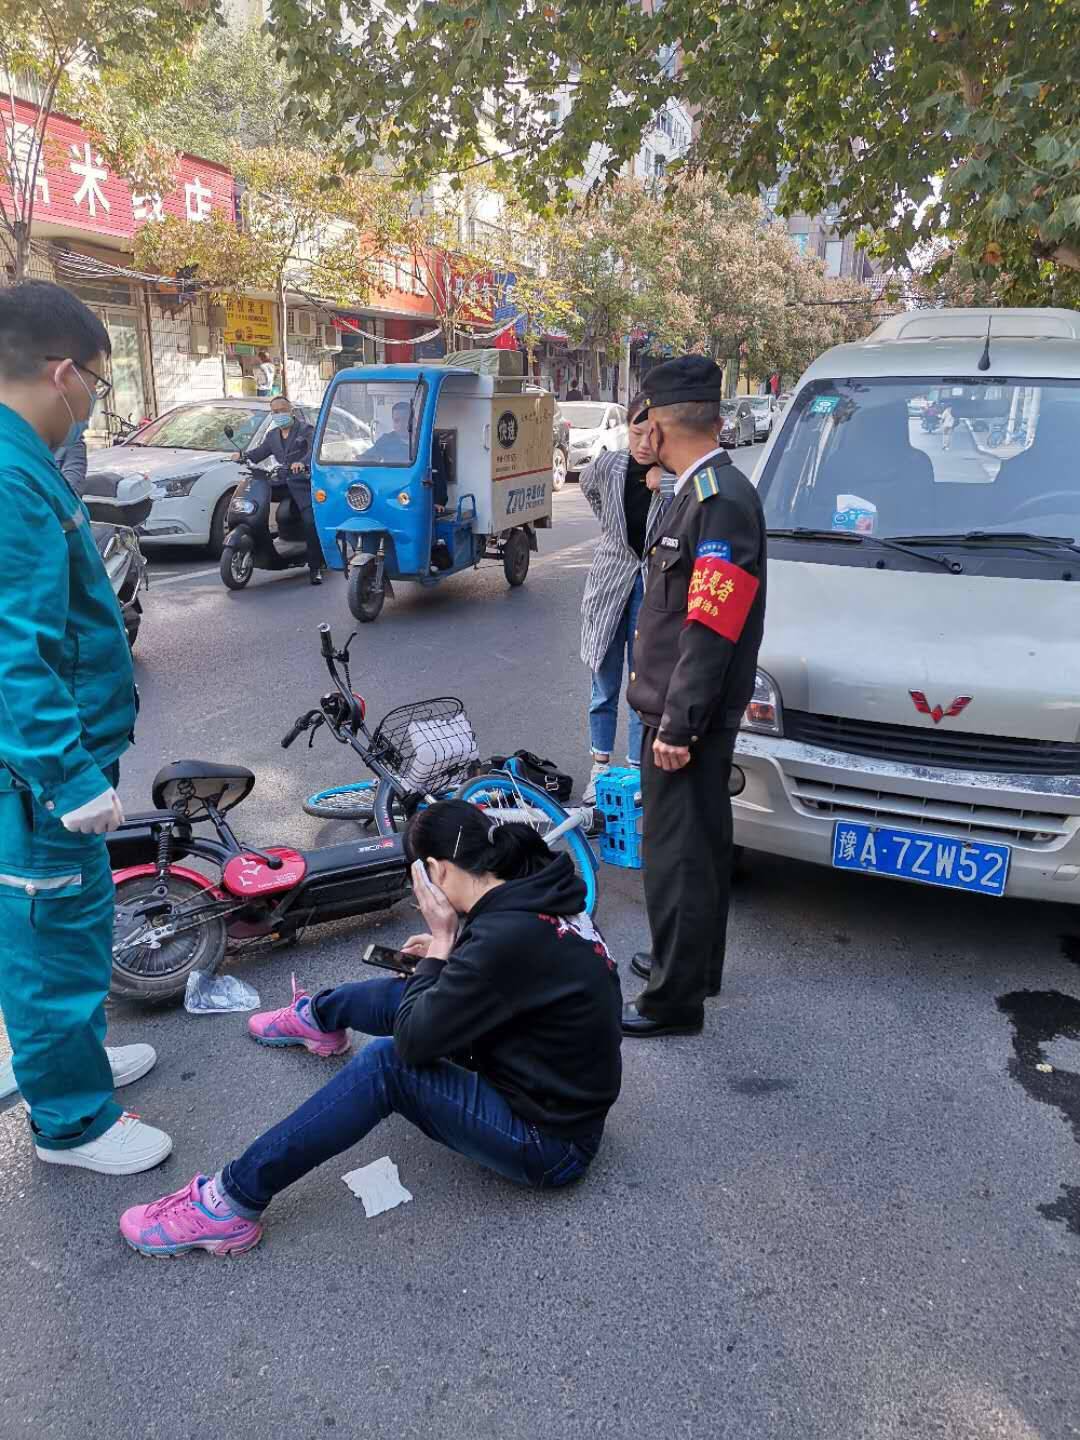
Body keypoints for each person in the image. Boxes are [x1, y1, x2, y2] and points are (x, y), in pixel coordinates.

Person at [118, 799, 623, 1256]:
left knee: (388, 1064)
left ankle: (228, 1203)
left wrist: (447, 946)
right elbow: (505, 967)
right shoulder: (534, 888)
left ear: (435, 872)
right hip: (538, 1075)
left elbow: (415, 1041)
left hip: (550, 1143)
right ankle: (319, 1018)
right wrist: (449, 953)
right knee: (419, 987)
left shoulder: (505, 937)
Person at [0, 281, 170, 1174]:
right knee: (48, 937)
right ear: (62, 372)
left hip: (62, 759)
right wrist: (65, 776)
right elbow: (12, 652)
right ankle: (70, 1122)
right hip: (36, 777)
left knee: (78, 918)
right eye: (98, 388)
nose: (92, 407)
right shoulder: (10, 473)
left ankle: (77, 1064)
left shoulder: (21, 458)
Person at [622, 356, 767, 1038]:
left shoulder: (721, 500)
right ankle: (689, 967)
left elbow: (710, 626)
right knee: (700, 847)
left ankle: (672, 1001)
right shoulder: (695, 489)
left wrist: (677, 725)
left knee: (678, 856)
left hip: (685, 716)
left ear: (657, 420)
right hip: (682, 709)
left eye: (642, 419)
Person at [579, 394, 673, 801]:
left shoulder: (674, 477)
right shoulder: (608, 465)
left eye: (652, 435)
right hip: (609, 580)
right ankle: (599, 768)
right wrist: (615, 540)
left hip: (650, 585)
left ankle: (636, 773)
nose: (643, 444)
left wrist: (664, 482)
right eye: (637, 432)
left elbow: (696, 498)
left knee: (642, 683)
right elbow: (589, 490)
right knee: (604, 679)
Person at [236, 396, 322, 583]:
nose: (278, 414)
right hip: (281, 482)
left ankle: (316, 566)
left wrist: (302, 463)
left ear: (291, 411)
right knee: (257, 502)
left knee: (309, 522)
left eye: (282, 410)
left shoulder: (306, 430)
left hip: (302, 484)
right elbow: (259, 453)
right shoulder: (272, 435)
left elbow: (313, 451)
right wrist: (243, 455)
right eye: (274, 412)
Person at [364, 399, 414, 464]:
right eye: (396, 421)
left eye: (405, 419)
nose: (400, 425)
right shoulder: (386, 440)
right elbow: (365, 458)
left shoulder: (422, 440)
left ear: (413, 420)